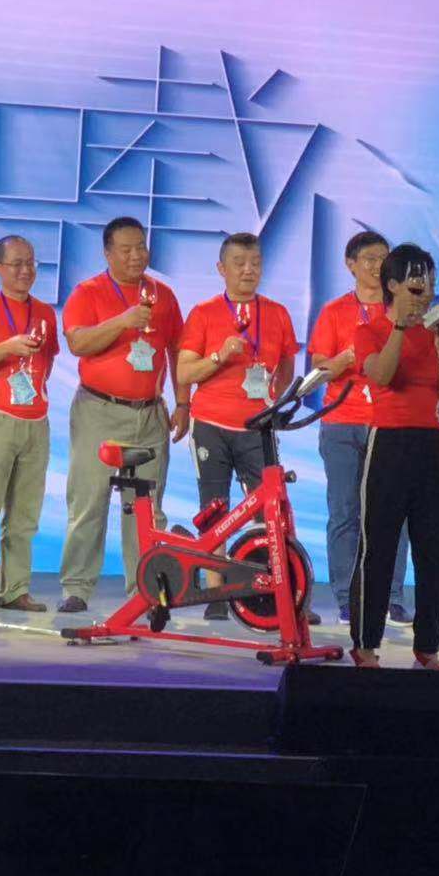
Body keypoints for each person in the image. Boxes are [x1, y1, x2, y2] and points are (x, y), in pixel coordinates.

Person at [57, 217, 189, 613]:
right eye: (126, 249)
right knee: (88, 501)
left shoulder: (164, 295)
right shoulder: (88, 292)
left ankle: (143, 592)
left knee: (147, 508)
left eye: (141, 247)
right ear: (107, 253)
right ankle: (77, 587)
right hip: (99, 411)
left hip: (150, 415)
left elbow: (178, 351)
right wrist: (123, 321)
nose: (136, 256)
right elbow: (78, 343)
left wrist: (183, 403)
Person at [176, 233, 299, 620]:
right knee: (214, 507)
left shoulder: (277, 313)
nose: (249, 270)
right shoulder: (204, 313)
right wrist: (219, 355)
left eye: (256, 263)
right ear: (221, 268)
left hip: (257, 427)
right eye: (239, 263)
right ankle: (217, 592)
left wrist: (272, 398)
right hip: (211, 424)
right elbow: (184, 372)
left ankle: (279, 590)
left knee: (271, 509)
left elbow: (287, 365)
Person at [349, 243, 439, 669]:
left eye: (429, 283)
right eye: (415, 284)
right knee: (378, 547)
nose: (424, 292)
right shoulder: (370, 330)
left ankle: (428, 647)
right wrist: (399, 326)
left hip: (433, 445)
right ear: (392, 284)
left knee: (435, 550)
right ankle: (365, 643)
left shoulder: (438, 330)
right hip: (389, 443)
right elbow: (381, 375)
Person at [308, 231, 412, 626]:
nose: (377, 265)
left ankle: (391, 596)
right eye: (369, 258)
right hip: (342, 424)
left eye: (384, 258)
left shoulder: (400, 312)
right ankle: (346, 597)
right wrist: (351, 357)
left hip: (389, 421)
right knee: (345, 512)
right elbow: (319, 370)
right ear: (350, 264)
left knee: (392, 514)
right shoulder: (334, 312)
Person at [0, 235, 58, 612]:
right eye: (17, 263)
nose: (25, 270)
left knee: (25, 515)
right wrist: (5, 348)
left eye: (31, 262)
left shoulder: (46, 312)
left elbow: (47, 363)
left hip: (37, 421)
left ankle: (15, 589)